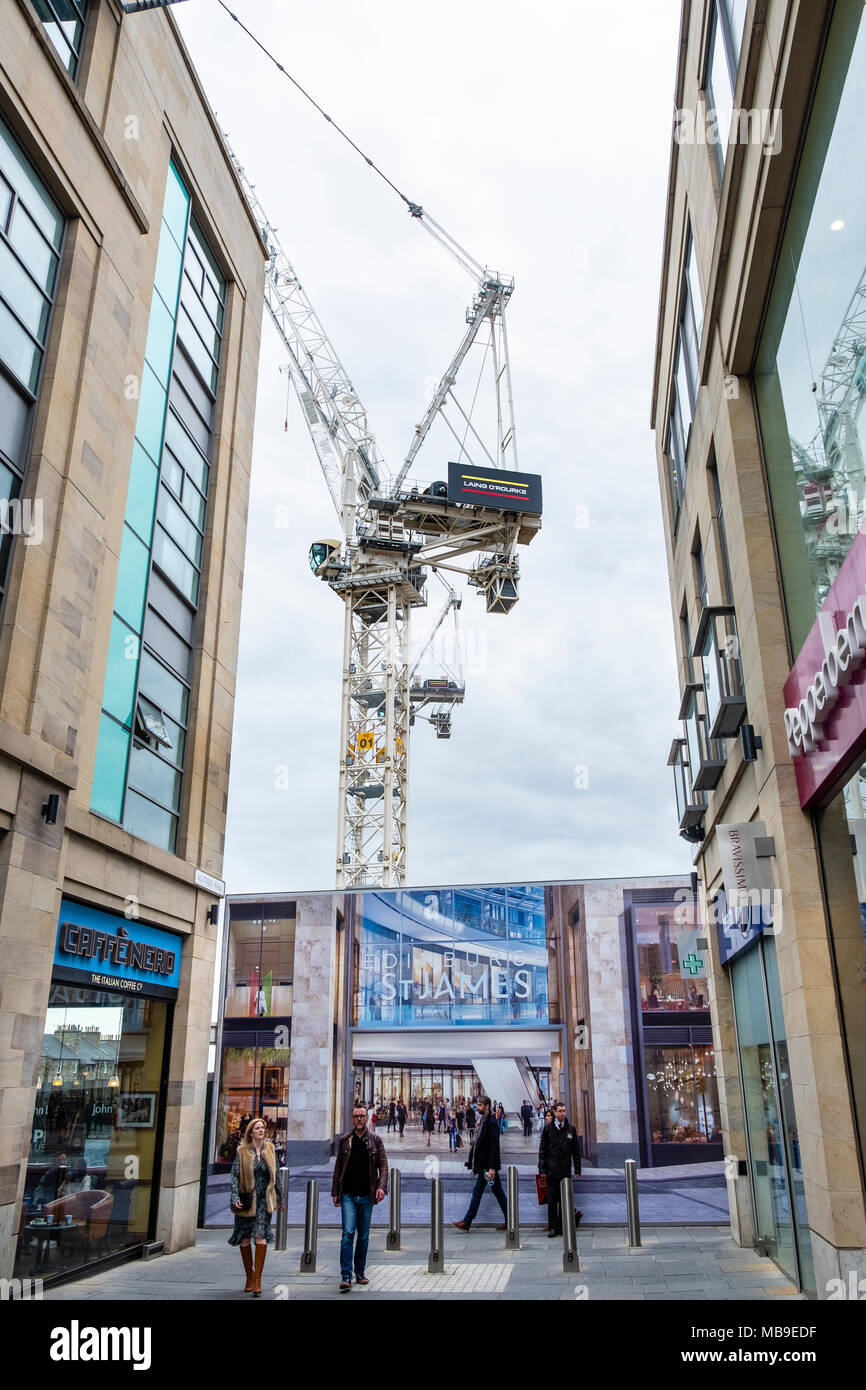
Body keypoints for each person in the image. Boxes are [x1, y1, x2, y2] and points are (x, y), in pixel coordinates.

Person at [331, 1102, 388, 1292]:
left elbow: (384, 1165)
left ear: (367, 1117)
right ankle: (346, 1274)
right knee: (348, 1233)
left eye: (362, 1116)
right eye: (356, 1116)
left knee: (363, 1236)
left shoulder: (375, 1140)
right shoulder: (345, 1141)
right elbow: (338, 1167)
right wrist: (335, 1193)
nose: (359, 1119)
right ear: (352, 1118)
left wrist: (381, 1187)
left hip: (366, 1195)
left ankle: (360, 1271)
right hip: (348, 1194)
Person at [228, 1117, 284, 1295]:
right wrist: (235, 1196)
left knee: (260, 1236)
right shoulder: (242, 1151)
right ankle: (249, 1276)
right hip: (246, 1200)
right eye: (258, 1128)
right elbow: (235, 1175)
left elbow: (276, 1174)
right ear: (251, 1132)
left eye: (263, 1128)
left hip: (263, 1200)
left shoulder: (270, 1149)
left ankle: (258, 1279)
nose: (261, 1130)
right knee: (244, 1239)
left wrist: (280, 1198)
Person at [452, 1096, 508, 1231]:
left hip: (487, 1167)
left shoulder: (491, 1122)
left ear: (487, 1106)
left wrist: (493, 1167)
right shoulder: (484, 1120)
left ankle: (467, 1221)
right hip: (484, 1165)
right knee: (496, 1192)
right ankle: (510, 1218)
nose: (478, 1107)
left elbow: (495, 1146)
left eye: (480, 1105)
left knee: (482, 1191)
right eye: (478, 1105)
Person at [538, 1100, 581, 1238]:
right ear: (555, 1113)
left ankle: (563, 1226)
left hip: (565, 1170)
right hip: (551, 1170)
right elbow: (542, 1150)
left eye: (564, 1110)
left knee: (564, 1200)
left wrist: (578, 1169)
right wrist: (542, 1170)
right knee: (551, 1200)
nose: (563, 1113)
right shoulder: (548, 1129)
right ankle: (553, 1227)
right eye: (560, 1111)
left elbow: (576, 1151)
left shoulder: (570, 1129)